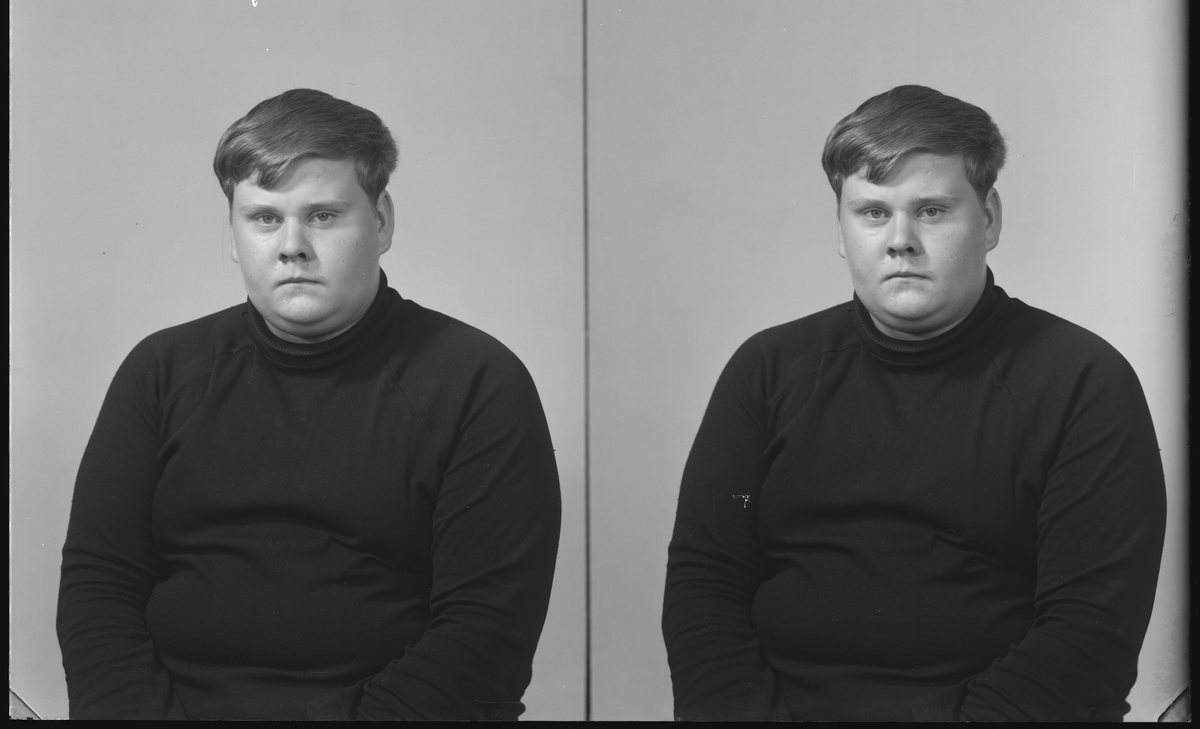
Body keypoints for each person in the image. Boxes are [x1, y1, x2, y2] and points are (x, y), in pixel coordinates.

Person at [662, 85, 1167, 721]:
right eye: (873, 212)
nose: (900, 240)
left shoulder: (1084, 382)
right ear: (842, 230)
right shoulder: (765, 370)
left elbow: (1089, 635)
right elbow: (706, 585)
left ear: (989, 219)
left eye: (931, 210)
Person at [57, 89, 562, 720]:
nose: (291, 245)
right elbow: (99, 591)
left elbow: (484, 639)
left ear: (381, 222)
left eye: (322, 215)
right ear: (235, 235)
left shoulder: (478, 381)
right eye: (264, 218)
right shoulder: (160, 371)